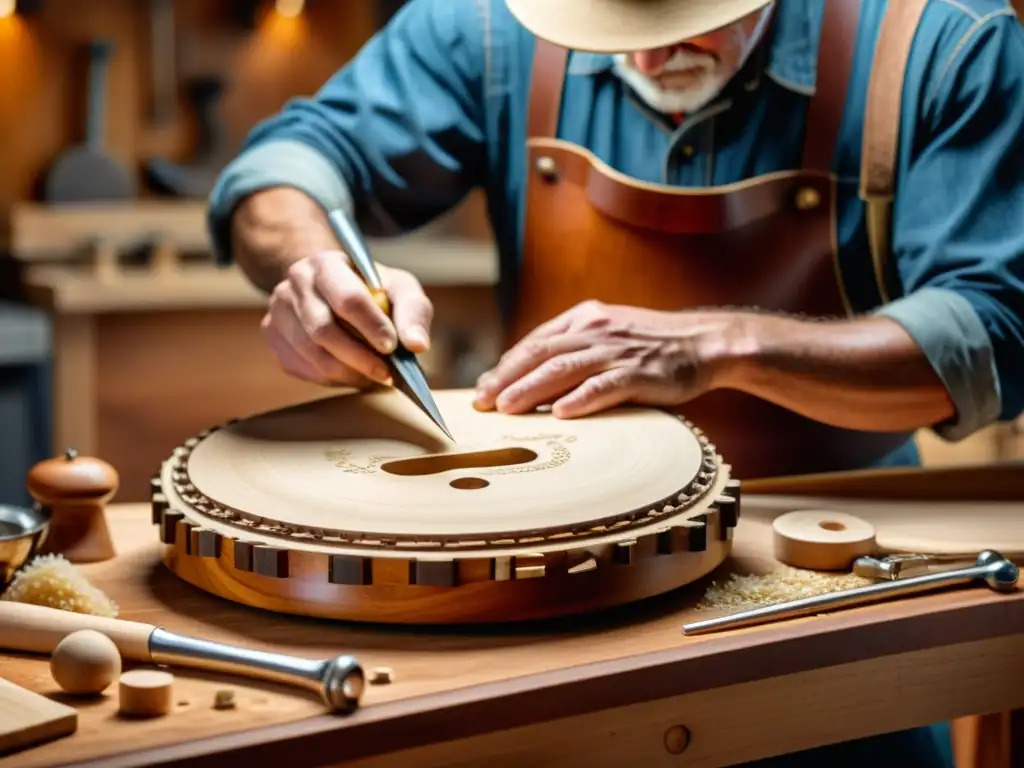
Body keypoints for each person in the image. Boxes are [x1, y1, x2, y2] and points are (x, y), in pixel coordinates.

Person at [206, 0, 1024, 764]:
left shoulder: (944, 43)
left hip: (821, 578)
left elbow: (998, 331)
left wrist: (728, 341)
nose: (642, 48)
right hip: (554, 586)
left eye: (683, 15)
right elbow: (288, 163)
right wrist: (313, 264)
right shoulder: (492, 25)